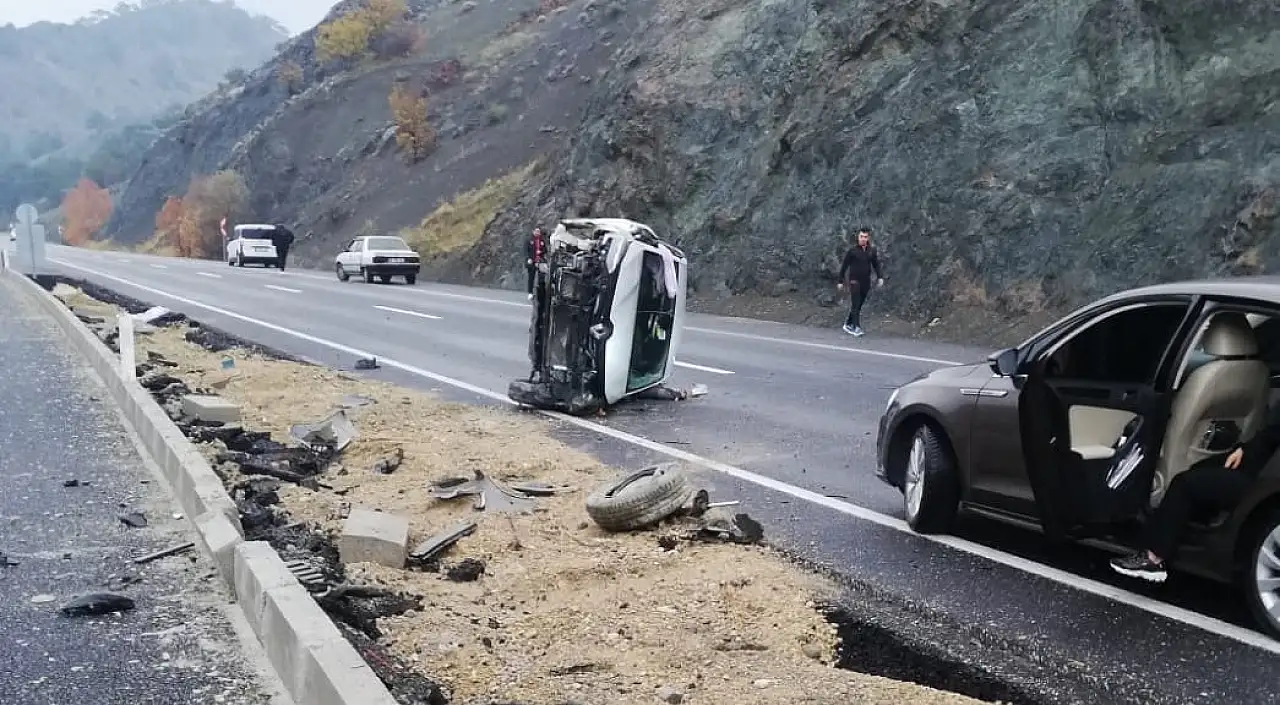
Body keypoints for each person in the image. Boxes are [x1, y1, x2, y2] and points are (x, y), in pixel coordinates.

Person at [1110, 405, 1280, 582]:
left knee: (1184, 484)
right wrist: (1244, 449)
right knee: (1199, 471)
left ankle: (1153, 559)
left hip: (1259, 479)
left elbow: (1273, 434)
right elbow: (1270, 435)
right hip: (1258, 471)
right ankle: (1182, 535)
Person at [837, 227, 884, 336]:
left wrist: (880, 277)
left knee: (859, 304)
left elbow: (876, 265)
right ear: (858, 237)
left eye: (865, 237)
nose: (863, 239)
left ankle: (848, 323)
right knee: (856, 303)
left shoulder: (871, 251)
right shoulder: (852, 251)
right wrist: (840, 281)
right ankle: (856, 327)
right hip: (854, 281)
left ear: (868, 238)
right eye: (861, 237)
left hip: (865, 282)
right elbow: (844, 266)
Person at [525, 227, 546, 300]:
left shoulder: (542, 240)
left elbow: (545, 250)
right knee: (531, 277)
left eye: (539, 231)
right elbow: (526, 251)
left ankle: (540, 293)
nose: (537, 233)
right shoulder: (529, 240)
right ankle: (530, 292)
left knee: (541, 278)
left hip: (540, 261)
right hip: (532, 261)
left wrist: (541, 252)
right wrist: (529, 258)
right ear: (533, 231)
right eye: (536, 231)